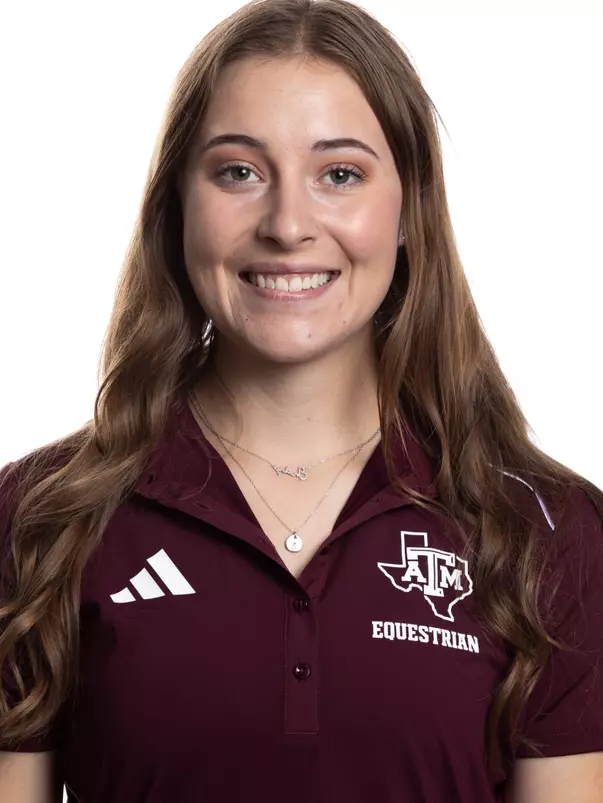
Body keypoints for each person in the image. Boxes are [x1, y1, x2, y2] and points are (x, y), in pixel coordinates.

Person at [1, 0, 602, 801]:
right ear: (178, 204)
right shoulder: (44, 519)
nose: (287, 224)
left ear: (407, 211)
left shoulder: (544, 530)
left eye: (340, 174)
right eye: (238, 172)